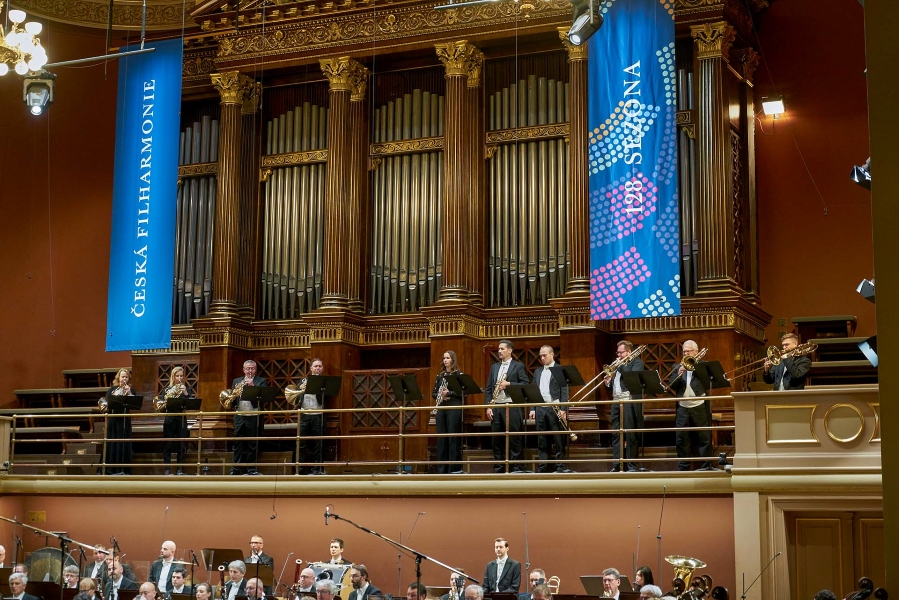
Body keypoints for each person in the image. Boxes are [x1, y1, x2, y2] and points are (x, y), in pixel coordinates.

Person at [669, 340, 714, 471]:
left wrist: (696, 367)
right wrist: (679, 374)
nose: (685, 353)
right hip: (683, 406)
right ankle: (683, 467)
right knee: (681, 439)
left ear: (696, 352)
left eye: (688, 351)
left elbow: (709, 381)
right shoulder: (677, 367)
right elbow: (671, 385)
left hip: (699, 405)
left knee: (704, 437)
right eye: (684, 351)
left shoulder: (703, 365)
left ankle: (707, 466)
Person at [485, 340, 529, 473]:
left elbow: (525, 384)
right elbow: (488, 389)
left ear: (510, 350)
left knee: (515, 437)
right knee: (496, 439)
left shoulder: (518, 366)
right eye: (498, 349)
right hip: (497, 406)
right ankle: (499, 467)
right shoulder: (494, 367)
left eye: (502, 349)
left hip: (512, 405)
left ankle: (516, 467)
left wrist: (509, 384)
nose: (499, 351)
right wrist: (488, 406)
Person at [603, 341, 644, 472]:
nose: (618, 355)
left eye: (621, 353)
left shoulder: (637, 363)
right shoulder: (617, 366)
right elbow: (616, 386)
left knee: (630, 433)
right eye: (618, 353)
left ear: (629, 352)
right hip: (616, 401)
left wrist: (620, 366)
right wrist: (608, 382)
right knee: (616, 434)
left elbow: (631, 379)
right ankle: (617, 464)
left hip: (629, 401)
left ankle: (632, 465)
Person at [530, 346, 572, 473]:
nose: (542, 358)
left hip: (555, 407)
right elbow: (534, 391)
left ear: (552, 354)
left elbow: (564, 391)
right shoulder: (537, 372)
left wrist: (563, 408)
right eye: (541, 356)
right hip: (540, 408)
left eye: (545, 355)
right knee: (541, 438)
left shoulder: (559, 369)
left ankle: (560, 466)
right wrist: (532, 409)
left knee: (558, 438)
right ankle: (543, 466)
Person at [229, 360, 267, 475]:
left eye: (252, 368)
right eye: (248, 368)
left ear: (255, 370)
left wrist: (252, 387)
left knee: (252, 443)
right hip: (239, 415)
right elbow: (233, 398)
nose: (250, 371)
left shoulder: (261, 381)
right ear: (243, 370)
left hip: (253, 415)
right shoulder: (237, 381)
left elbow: (263, 398)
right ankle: (235, 469)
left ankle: (251, 469)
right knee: (237, 443)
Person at [433, 350, 464, 474]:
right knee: (442, 439)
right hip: (442, 408)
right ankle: (442, 469)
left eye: (448, 358)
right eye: (444, 358)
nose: (445, 360)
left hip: (454, 408)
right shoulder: (440, 376)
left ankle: (454, 469)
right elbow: (433, 393)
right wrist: (440, 395)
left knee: (453, 438)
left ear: (453, 360)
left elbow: (463, 392)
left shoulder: (458, 375)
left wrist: (449, 393)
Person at [297, 358, 327, 475]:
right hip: (304, 414)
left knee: (318, 444)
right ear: (311, 368)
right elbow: (296, 396)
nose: (317, 368)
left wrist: (319, 388)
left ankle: (317, 469)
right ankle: (299, 470)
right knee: (301, 443)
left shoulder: (324, 381)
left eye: (319, 366)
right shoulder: (303, 380)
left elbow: (329, 396)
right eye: (315, 366)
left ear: (322, 368)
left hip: (318, 414)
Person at [161, 366, 193, 475]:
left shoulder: (186, 388)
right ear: (173, 377)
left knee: (181, 444)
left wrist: (185, 394)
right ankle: (167, 470)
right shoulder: (167, 389)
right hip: (169, 418)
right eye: (177, 376)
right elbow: (161, 404)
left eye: (181, 376)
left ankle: (180, 469)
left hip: (181, 418)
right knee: (168, 444)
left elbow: (191, 403)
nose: (179, 378)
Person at [103, 368, 135, 475]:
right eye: (122, 377)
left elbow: (134, 404)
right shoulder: (112, 389)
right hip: (113, 418)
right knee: (112, 442)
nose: (124, 379)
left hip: (125, 419)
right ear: (118, 378)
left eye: (126, 377)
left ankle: (123, 469)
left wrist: (129, 392)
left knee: (123, 442)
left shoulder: (131, 389)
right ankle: (110, 470)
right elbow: (107, 403)